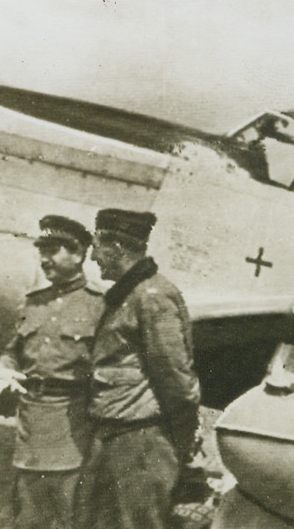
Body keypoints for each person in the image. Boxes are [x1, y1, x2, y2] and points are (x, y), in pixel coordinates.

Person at [78, 208, 201, 529]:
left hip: (141, 441)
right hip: (112, 435)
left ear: (117, 248)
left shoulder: (153, 297)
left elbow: (178, 382)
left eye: (97, 246)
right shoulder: (126, 295)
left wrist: (180, 445)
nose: (92, 256)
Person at [0, 215, 104, 529]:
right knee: (28, 518)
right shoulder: (33, 303)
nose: (44, 259)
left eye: (53, 250)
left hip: (74, 429)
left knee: (72, 518)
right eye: (42, 251)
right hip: (30, 427)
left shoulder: (101, 306)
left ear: (78, 254)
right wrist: (2, 370)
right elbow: (12, 351)